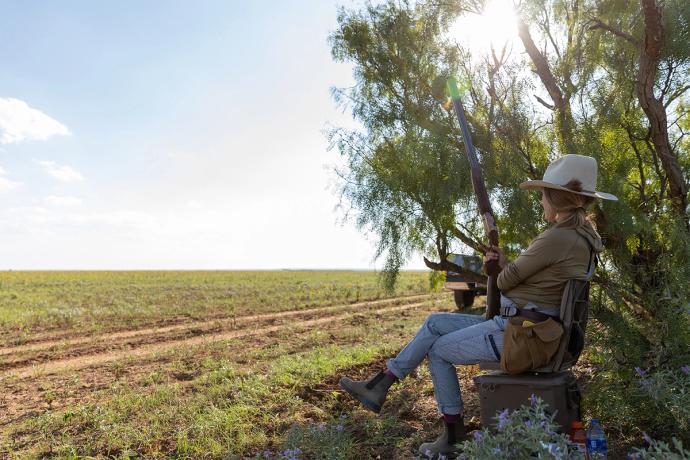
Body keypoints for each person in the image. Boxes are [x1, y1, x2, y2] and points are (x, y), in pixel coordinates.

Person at [338, 154, 618, 458]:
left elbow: (504, 282)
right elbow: (531, 278)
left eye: (543, 194)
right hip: (533, 329)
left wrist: (498, 267)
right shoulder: (583, 236)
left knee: (439, 350)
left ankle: (453, 434)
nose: (541, 201)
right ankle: (381, 384)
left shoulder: (556, 237)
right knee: (435, 323)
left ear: (558, 198)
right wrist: (505, 268)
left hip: (524, 337)